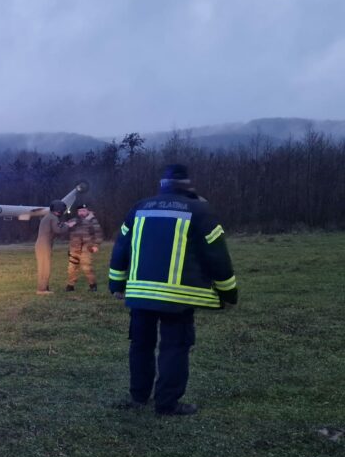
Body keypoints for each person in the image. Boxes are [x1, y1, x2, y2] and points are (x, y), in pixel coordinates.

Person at [108, 164, 238, 416]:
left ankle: (138, 397)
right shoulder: (200, 210)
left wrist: (116, 283)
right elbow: (217, 256)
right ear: (189, 187)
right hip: (177, 298)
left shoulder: (139, 207)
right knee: (174, 348)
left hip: (140, 294)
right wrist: (228, 293)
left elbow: (121, 247)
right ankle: (167, 404)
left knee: (140, 345)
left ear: (162, 186)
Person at [35, 200, 74, 294]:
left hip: (41, 244)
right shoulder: (53, 218)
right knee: (45, 267)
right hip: (44, 245)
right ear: (59, 210)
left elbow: (55, 227)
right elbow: (58, 230)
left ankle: (44, 287)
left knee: (43, 266)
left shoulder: (49, 216)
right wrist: (68, 226)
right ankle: (42, 289)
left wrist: (64, 224)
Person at [66, 203, 103, 292]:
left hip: (86, 247)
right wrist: (67, 224)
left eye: (83, 210)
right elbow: (65, 227)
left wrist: (96, 245)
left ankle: (92, 285)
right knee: (72, 267)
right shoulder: (74, 220)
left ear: (87, 211)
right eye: (79, 211)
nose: (81, 212)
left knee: (87, 267)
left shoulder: (93, 221)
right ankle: (70, 286)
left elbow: (98, 234)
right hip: (74, 247)